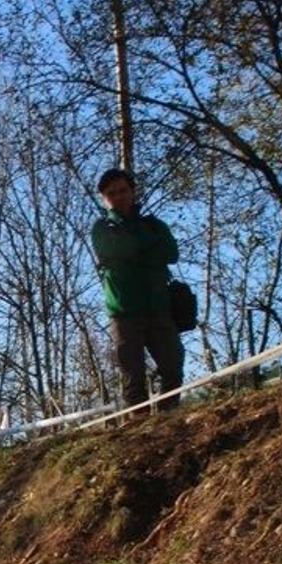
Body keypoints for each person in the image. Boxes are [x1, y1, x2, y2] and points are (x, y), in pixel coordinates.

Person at [90, 168, 185, 413]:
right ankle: (139, 427)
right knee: (133, 377)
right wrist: (146, 252)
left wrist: (132, 253)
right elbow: (112, 253)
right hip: (123, 311)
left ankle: (169, 418)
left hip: (159, 306)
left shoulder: (154, 225)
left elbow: (171, 253)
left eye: (123, 190)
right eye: (112, 193)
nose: (119, 197)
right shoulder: (102, 228)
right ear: (104, 199)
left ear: (133, 191)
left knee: (173, 367)